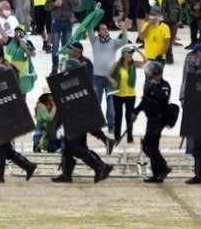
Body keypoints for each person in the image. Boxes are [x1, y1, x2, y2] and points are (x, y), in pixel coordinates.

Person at [50, 56, 112, 184]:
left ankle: (100, 166)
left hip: (77, 122)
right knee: (68, 147)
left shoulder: (78, 84)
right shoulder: (71, 83)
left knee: (75, 148)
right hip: (72, 121)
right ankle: (67, 174)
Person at [0, 62, 37, 184]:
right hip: (2, 122)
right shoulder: (2, 87)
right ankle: (28, 166)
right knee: (7, 150)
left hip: (6, 123)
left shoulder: (8, 88)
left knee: (1, 149)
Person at [89, 19, 130, 134]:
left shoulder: (113, 43)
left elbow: (124, 41)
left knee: (111, 103)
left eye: (106, 29)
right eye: (102, 29)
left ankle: (111, 125)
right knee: (97, 101)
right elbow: (89, 28)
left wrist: (124, 29)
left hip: (111, 78)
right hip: (97, 77)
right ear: (99, 32)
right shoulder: (94, 41)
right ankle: (96, 124)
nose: (105, 31)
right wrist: (94, 15)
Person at [134, 61, 171, 183]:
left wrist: (154, 87)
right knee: (153, 146)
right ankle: (157, 174)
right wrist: (135, 112)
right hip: (151, 119)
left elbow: (163, 98)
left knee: (147, 146)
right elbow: (144, 101)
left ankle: (163, 166)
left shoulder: (164, 85)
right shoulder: (150, 85)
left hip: (159, 120)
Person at [108, 44, 143, 144]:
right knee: (118, 116)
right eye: (128, 54)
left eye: (131, 54)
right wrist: (112, 81)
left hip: (130, 95)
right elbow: (108, 75)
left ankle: (130, 137)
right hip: (118, 95)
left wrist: (139, 51)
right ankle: (117, 137)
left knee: (129, 117)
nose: (130, 56)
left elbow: (146, 62)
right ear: (123, 55)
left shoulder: (133, 64)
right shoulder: (117, 65)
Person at [46, 0, 80, 72]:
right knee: (55, 47)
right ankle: (55, 68)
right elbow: (46, 6)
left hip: (68, 22)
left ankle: (67, 67)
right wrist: (54, 4)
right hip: (56, 22)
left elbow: (77, 5)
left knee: (67, 47)